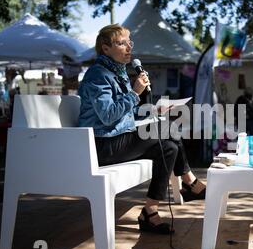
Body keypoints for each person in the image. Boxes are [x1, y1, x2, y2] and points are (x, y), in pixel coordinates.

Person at [78, 24, 205, 235]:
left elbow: (125, 115)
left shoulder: (116, 73)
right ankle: (190, 182)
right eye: (121, 43)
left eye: (130, 42)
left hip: (118, 138)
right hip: (102, 145)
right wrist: (135, 93)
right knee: (167, 127)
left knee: (169, 149)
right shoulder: (97, 75)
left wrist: (153, 109)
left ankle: (150, 212)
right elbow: (108, 115)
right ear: (105, 48)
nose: (128, 47)